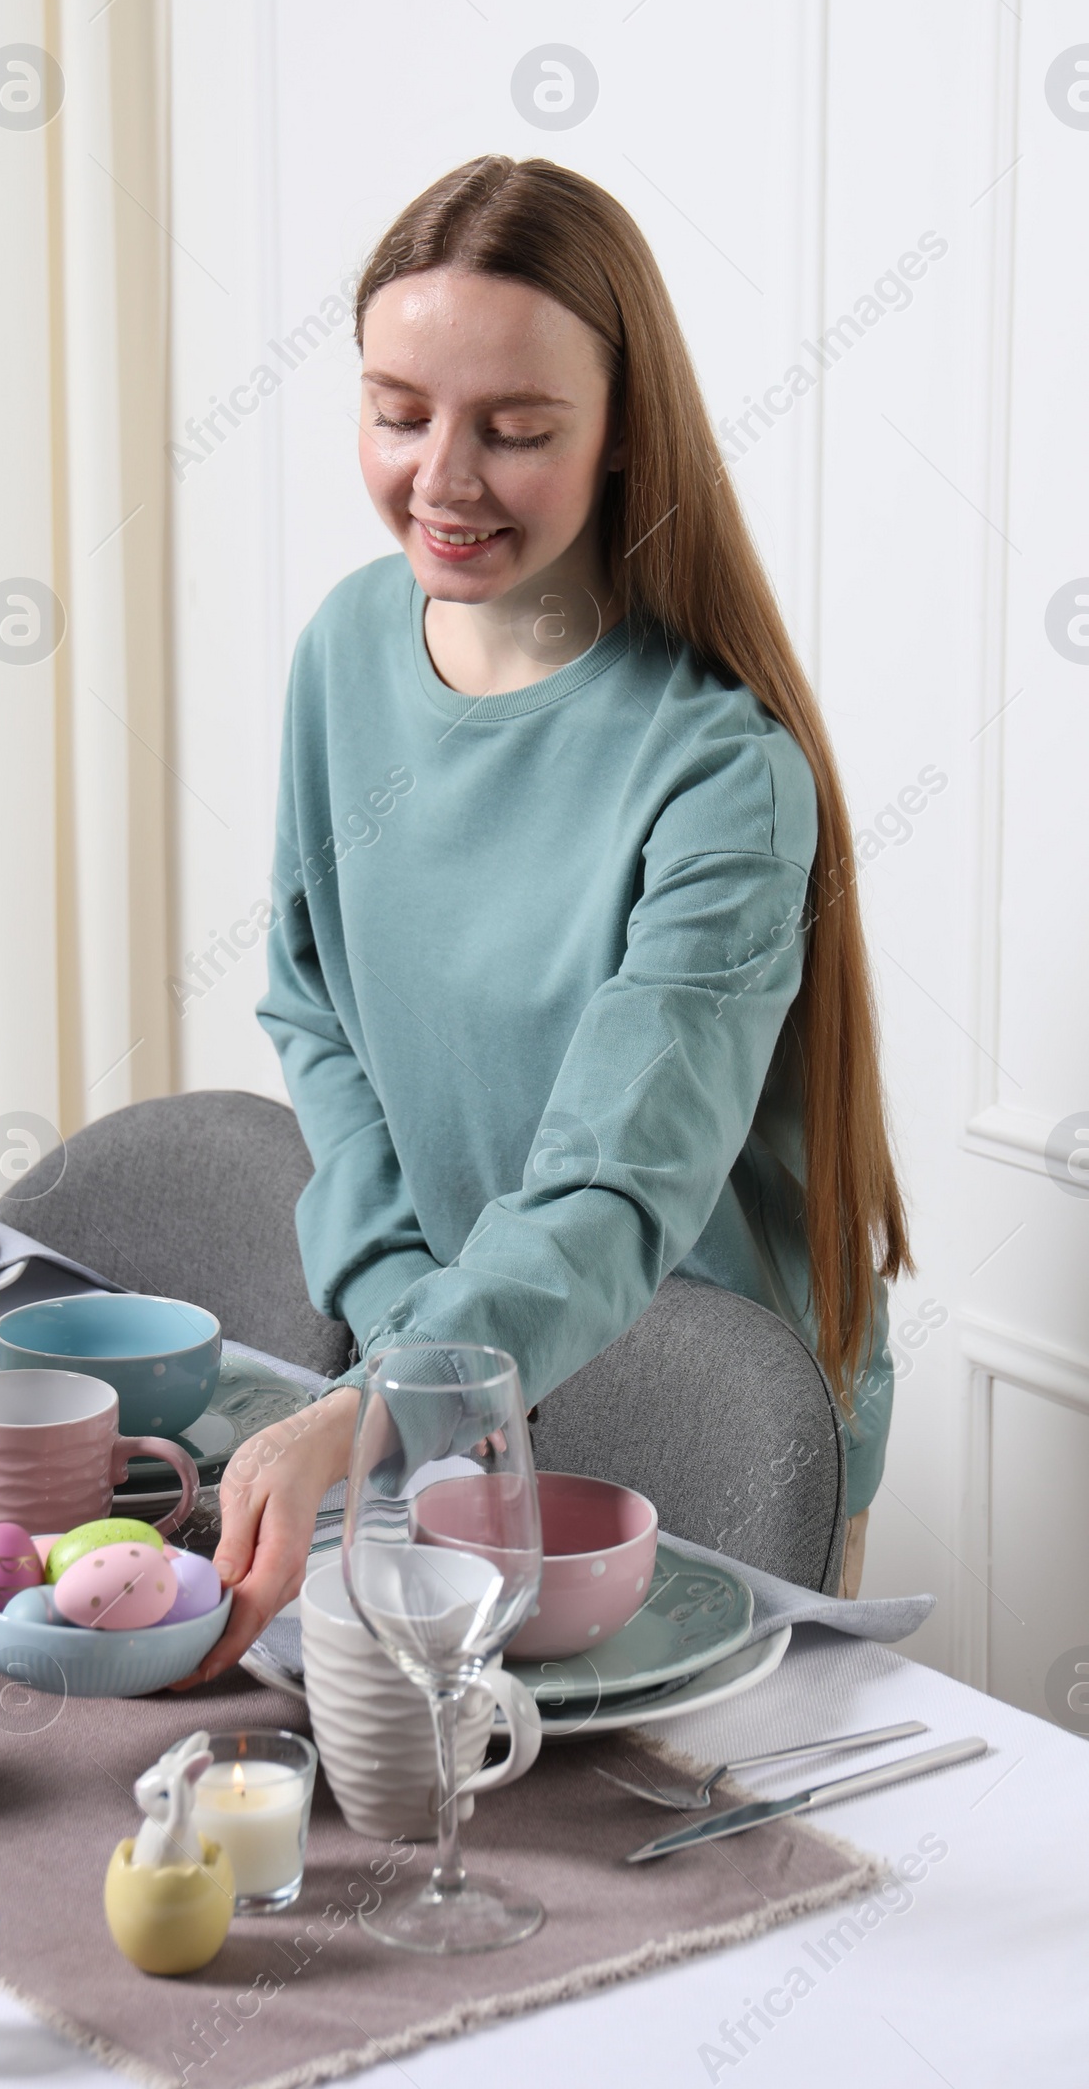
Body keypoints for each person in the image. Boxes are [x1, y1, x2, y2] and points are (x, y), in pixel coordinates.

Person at [180, 156, 909, 1686]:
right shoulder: (343, 653)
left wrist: (389, 1400)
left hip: (704, 1426)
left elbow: (608, 1193)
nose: (442, 478)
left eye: (514, 431)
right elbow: (316, 1009)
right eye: (397, 413)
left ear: (624, 431)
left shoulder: (720, 774)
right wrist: (409, 1351)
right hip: (455, 1387)